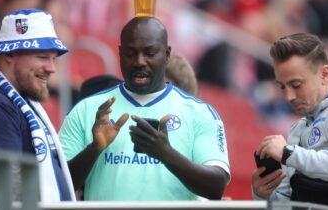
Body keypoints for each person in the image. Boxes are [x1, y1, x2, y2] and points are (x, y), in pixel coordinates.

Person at [59, 16, 230, 200]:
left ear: (167, 54)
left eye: (149, 53)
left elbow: (216, 187)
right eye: (130, 53)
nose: (139, 61)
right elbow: (58, 184)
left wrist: (166, 154)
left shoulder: (200, 113)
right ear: (119, 53)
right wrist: (94, 149)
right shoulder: (87, 109)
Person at [0, 9, 75, 202]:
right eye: (43, 57)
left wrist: (94, 149)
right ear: (10, 54)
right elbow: (12, 190)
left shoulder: (21, 100)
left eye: (53, 58)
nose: (52, 68)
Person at [252, 33, 328, 206]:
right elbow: (286, 202)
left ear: (324, 74)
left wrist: (289, 154)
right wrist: (263, 195)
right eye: (282, 87)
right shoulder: (297, 128)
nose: (289, 96)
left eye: (296, 85)